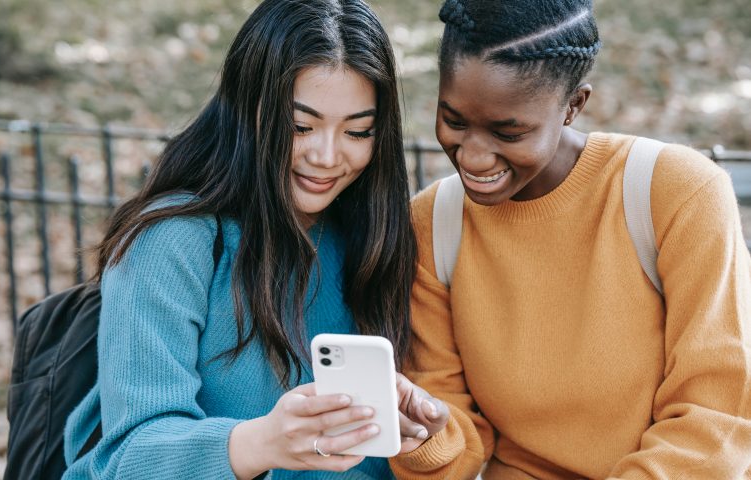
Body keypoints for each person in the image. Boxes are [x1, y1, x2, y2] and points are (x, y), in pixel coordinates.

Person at [61, 0, 448, 478]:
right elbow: (129, 457)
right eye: (301, 126)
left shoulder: (371, 239)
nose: (327, 156)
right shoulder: (173, 241)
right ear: (248, 108)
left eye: (357, 131)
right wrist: (260, 445)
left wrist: (409, 432)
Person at [389, 0, 751, 479]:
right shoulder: (433, 223)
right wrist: (428, 438)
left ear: (574, 106)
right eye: (454, 121)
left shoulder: (678, 193)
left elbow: (718, 418)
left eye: (508, 131)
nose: (473, 158)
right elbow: (457, 441)